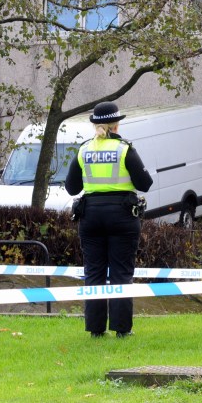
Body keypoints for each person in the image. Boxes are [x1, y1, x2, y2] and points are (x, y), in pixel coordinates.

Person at [65, 101, 153, 338]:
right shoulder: (125, 149)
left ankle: (95, 329)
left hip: (91, 216)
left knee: (93, 272)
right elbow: (145, 184)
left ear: (96, 124)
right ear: (117, 124)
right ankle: (122, 329)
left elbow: (72, 188)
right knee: (121, 273)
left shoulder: (84, 150)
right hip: (122, 216)